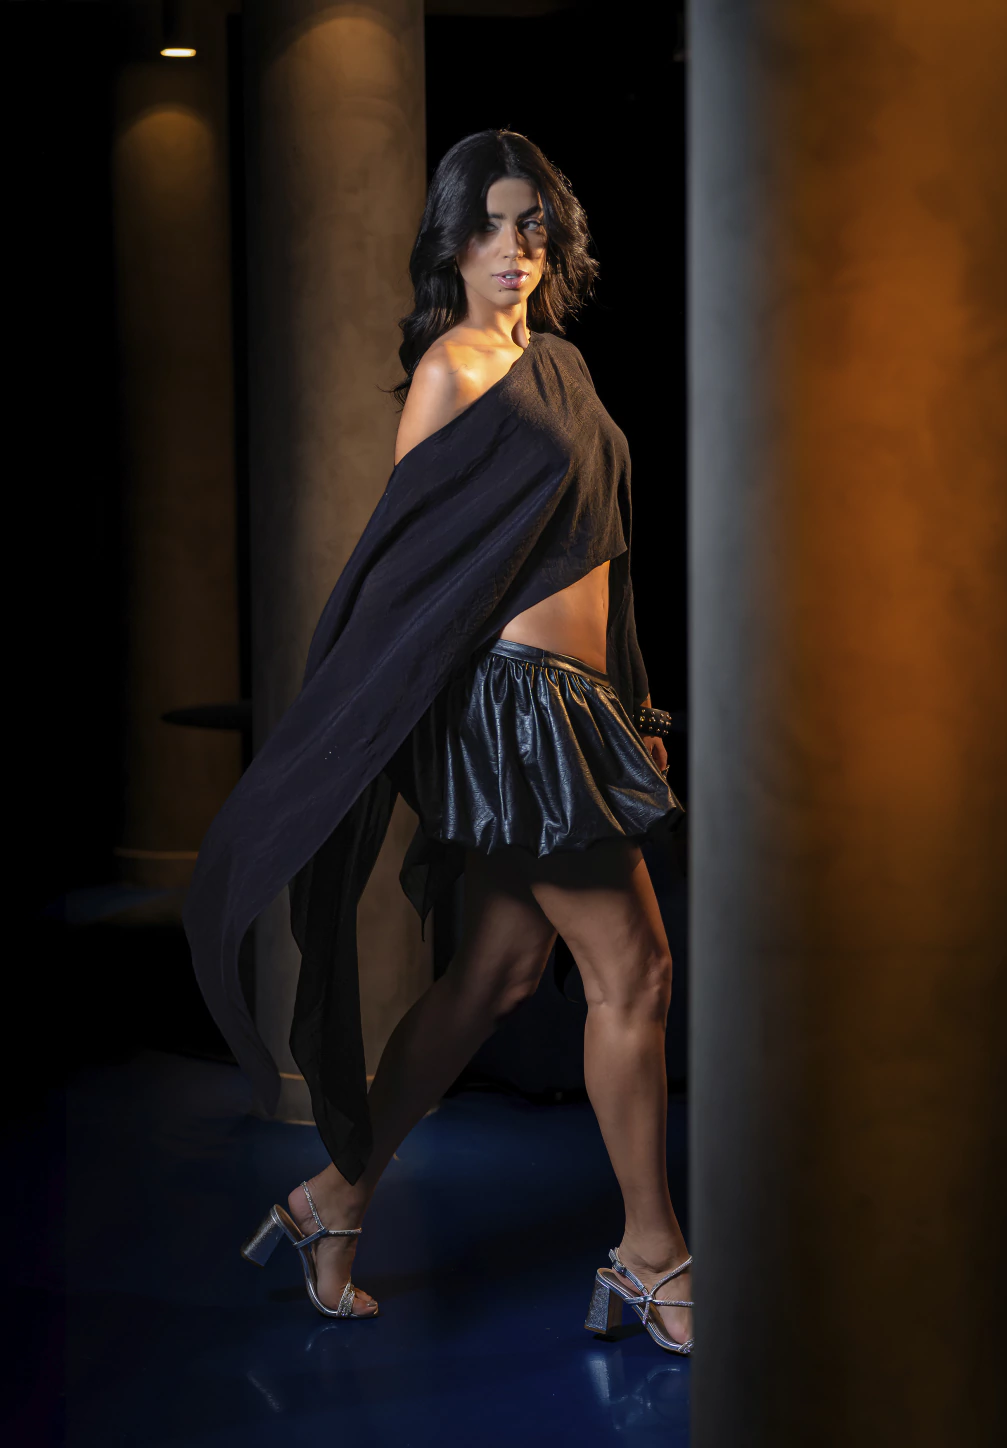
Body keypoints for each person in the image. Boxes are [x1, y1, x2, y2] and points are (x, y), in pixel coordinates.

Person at [188, 131, 692, 1355]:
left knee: (495, 980)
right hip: (518, 713)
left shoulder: (560, 364)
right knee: (633, 975)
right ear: (450, 242)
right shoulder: (449, 369)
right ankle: (651, 1255)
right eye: (487, 227)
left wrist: (635, 713)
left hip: (580, 709)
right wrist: (380, 729)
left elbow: (610, 555)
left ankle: (332, 1198)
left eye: (530, 227)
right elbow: (406, 577)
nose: (511, 250)